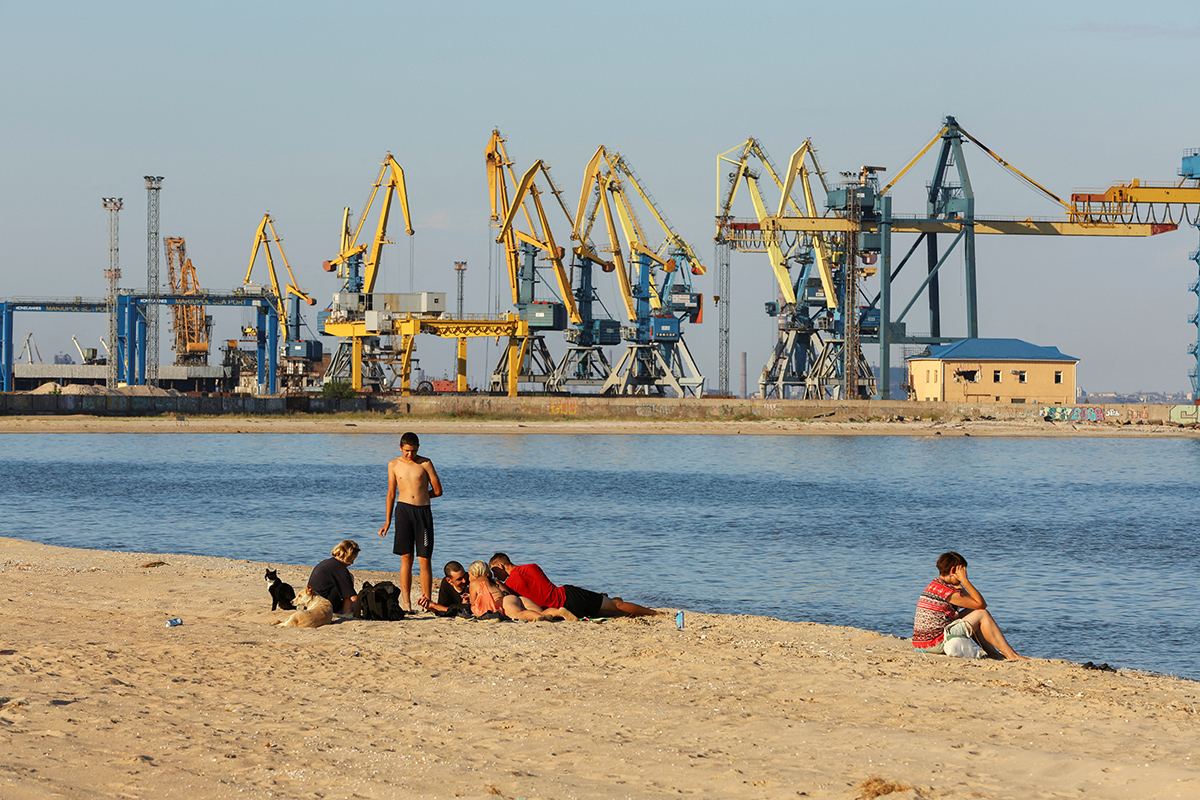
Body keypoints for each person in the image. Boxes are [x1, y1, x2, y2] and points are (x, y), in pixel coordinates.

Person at [912, 551, 1028, 660]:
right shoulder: (947, 592)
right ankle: (1011, 655)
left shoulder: (936, 585)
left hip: (922, 642)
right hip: (934, 643)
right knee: (982, 614)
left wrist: (959, 583)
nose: (965, 574)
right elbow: (981, 604)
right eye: (963, 571)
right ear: (953, 570)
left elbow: (973, 605)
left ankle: (994, 654)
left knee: (975, 614)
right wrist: (965, 580)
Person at [377, 431, 443, 612]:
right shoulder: (393, 464)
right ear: (400, 447)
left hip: (422, 513)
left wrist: (421, 495)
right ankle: (406, 603)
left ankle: (427, 602)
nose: (410, 455)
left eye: (413, 451)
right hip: (403, 512)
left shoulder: (426, 463)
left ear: (418, 448)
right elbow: (391, 493)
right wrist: (387, 521)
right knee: (406, 558)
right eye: (407, 451)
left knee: (424, 559)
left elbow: (438, 491)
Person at [488, 553, 661, 618]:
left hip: (559, 610)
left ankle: (612, 601)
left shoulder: (509, 586)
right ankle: (654, 613)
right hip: (569, 596)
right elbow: (546, 586)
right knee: (616, 606)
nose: (498, 577)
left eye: (496, 572)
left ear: (501, 566)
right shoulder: (532, 567)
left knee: (607, 609)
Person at [466, 561, 575, 622]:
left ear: (475, 573)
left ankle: (538, 618)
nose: (468, 577)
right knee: (541, 611)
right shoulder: (496, 581)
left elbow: (474, 605)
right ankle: (558, 612)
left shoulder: (475, 583)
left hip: (504, 602)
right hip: (517, 598)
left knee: (518, 614)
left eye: (469, 574)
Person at [307, 539, 360, 616]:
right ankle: (346, 612)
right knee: (349, 579)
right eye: (352, 559)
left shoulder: (328, 562)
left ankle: (345, 610)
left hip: (313, 603)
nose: (352, 563)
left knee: (347, 578)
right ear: (348, 556)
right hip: (323, 605)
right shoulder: (340, 568)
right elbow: (353, 598)